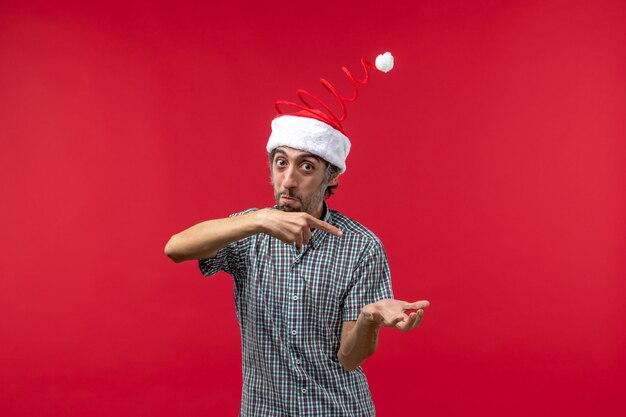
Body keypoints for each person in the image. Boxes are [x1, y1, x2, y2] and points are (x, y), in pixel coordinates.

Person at [164, 52, 430, 416]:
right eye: (281, 162)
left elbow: (350, 359)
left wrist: (368, 318)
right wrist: (258, 221)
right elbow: (175, 249)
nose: (288, 180)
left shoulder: (360, 247)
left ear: (331, 176)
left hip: (336, 409)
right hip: (264, 409)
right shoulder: (249, 230)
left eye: (307, 166)